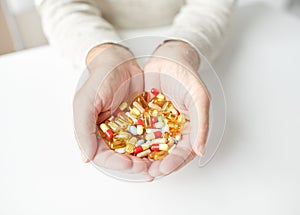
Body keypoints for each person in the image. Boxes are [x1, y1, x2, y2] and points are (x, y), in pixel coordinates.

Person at [36, 0, 235, 180]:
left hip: (188, 26)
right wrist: (104, 56)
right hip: (92, 33)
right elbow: (60, 6)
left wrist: (180, 50)